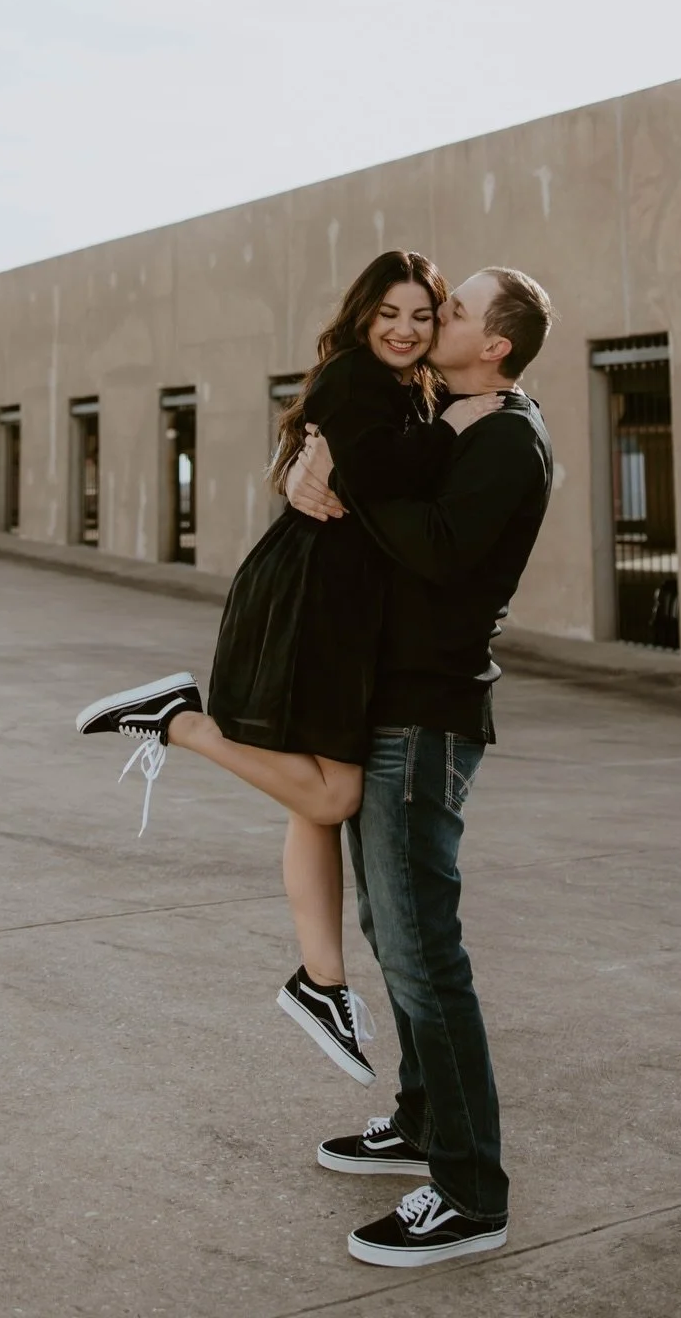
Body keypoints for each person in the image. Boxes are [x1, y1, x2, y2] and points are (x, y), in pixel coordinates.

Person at [73, 251, 502, 1082]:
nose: (406, 330)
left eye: (423, 316)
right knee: (333, 794)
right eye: (390, 313)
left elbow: (376, 473)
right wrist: (454, 428)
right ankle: (179, 722)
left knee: (314, 801)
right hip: (311, 605)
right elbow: (387, 478)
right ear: (362, 313)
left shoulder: (404, 389)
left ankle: (321, 982)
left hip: (342, 610)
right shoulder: (353, 378)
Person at [287, 266, 555, 1269]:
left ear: (496, 344)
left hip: (425, 719)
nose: (436, 318)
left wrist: (346, 481)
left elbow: (436, 550)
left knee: (424, 955)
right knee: (392, 934)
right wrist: (312, 473)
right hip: (388, 708)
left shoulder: (508, 438)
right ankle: (421, 1122)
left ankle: (471, 1191)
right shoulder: (449, 417)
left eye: (456, 310)